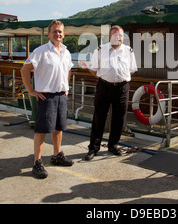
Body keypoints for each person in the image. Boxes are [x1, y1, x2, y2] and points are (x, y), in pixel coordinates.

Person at [21, 20, 74, 179]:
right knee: (42, 130)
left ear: (63, 34)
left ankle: (57, 155)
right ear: (49, 34)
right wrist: (31, 90)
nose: (58, 34)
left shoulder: (66, 51)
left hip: (60, 95)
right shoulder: (41, 51)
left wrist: (67, 88)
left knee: (58, 128)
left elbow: (68, 70)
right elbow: (25, 69)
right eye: (55, 31)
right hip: (46, 96)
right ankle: (37, 162)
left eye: (60, 32)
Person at [84, 25, 138, 161]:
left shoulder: (129, 51)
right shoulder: (100, 50)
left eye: (120, 35)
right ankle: (93, 148)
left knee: (119, 118)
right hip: (104, 86)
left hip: (122, 88)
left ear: (123, 37)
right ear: (110, 36)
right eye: (114, 35)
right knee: (99, 118)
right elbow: (92, 69)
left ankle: (113, 145)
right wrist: (105, 76)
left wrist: (118, 77)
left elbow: (132, 70)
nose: (117, 37)